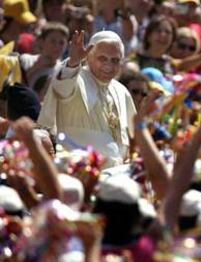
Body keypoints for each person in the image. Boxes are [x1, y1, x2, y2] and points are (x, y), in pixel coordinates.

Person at [38, 30, 136, 168]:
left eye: (115, 60)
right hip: (78, 169)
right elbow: (62, 86)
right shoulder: (76, 78)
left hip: (116, 171)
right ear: (88, 56)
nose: (109, 65)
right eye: (102, 58)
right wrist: (73, 62)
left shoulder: (122, 91)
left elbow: (131, 135)